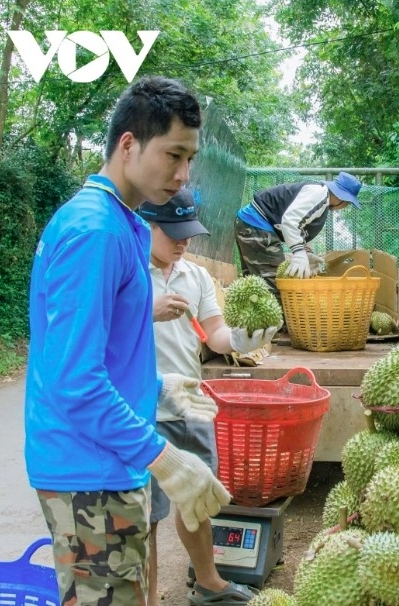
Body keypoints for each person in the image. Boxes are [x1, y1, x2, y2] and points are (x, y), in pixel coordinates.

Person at [26, 76, 230, 605]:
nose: (183, 175)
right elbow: (74, 379)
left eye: (191, 159)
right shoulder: (94, 231)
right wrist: (162, 457)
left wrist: (156, 388)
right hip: (88, 467)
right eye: (173, 155)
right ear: (128, 144)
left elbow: (105, 351)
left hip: (107, 458)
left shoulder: (122, 223)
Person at [139, 189, 280, 606]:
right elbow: (102, 333)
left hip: (192, 406)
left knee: (197, 501)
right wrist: (148, 309)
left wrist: (239, 338)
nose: (183, 243)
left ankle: (208, 582)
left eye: (188, 233)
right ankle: (143, 597)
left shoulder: (195, 276)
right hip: (145, 410)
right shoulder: (127, 274)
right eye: (173, 233)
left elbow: (213, 332)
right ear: (146, 226)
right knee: (145, 515)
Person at [234, 172, 363, 297]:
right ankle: (278, 320)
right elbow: (290, 220)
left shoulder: (323, 202)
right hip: (256, 223)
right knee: (276, 286)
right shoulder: (319, 194)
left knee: (255, 284)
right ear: (343, 198)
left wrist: (306, 253)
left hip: (252, 223)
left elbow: (302, 227)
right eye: (348, 203)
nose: (345, 206)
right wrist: (299, 253)